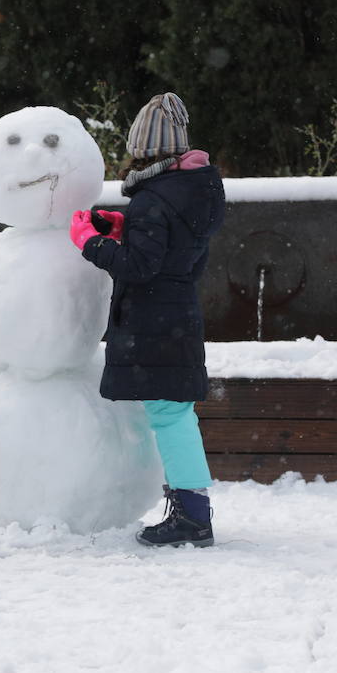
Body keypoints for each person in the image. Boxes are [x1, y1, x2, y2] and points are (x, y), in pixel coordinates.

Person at [68, 92, 226, 547]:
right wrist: (124, 227)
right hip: (178, 313)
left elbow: (140, 266)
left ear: (147, 147)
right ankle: (192, 512)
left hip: (154, 319)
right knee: (176, 413)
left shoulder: (155, 199)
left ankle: (194, 519)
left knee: (170, 416)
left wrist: (90, 242)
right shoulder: (197, 191)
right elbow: (179, 255)